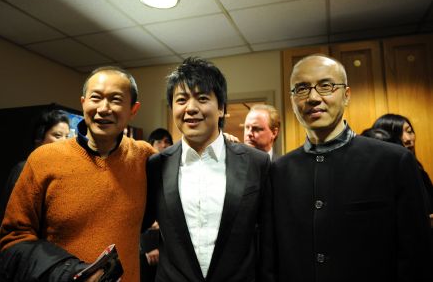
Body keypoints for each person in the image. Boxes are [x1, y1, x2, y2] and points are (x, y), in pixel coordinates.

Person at [260, 54, 432, 282]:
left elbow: (417, 256)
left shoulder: (393, 161)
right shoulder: (279, 171)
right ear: (292, 100)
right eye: (301, 88)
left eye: (326, 86)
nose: (313, 97)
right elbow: (270, 258)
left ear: (346, 95)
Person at [0, 66, 156, 282]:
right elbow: (14, 237)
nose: (103, 108)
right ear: (83, 103)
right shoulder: (43, 159)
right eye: (95, 98)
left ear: (133, 109)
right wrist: (68, 272)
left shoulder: (144, 157)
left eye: (116, 100)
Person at [144, 57, 270, 282]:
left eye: (202, 98)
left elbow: (269, 239)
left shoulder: (257, 163)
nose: (191, 108)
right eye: (181, 100)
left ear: (221, 108)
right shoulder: (156, 165)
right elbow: (138, 221)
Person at [0, 109, 70, 216]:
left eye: (67, 136)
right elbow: (11, 215)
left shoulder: (63, 170)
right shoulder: (24, 169)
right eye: (57, 135)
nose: (65, 141)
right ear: (39, 138)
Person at [372, 114, 433, 222]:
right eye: (397, 134)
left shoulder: (419, 171)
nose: (408, 139)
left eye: (409, 131)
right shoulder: (379, 179)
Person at [140, 128, 173, 282]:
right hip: (143, 242)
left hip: (165, 244)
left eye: (167, 142)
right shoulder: (142, 169)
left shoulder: (175, 170)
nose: (164, 145)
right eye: (159, 142)